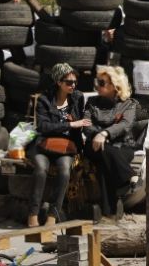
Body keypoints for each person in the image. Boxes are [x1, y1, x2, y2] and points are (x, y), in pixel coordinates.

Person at [27, 63, 91, 227]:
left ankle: (52, 215)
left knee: (64, 171)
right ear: (58, 82)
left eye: (75, 82)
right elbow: (43, 127)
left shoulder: (77, 97)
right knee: (41, 170)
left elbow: (80, 122)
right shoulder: (44, 99)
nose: (73, 85)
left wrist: (77, 125)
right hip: (43, 144)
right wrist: (70, 125)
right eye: (69, 82)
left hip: (67, 146)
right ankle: (33, 214)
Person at [83, 66, 139, 220]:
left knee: (104, 163)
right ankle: (128, 178)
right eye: (97, 82)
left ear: (115, 86)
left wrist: (105, 133)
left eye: (102, 82)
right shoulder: (92, 102)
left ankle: (108, 211)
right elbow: (86, 124)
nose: (97, 86)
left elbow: (125, 125)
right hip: (94, 144)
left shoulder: (129, 104)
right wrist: (98, 135)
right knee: (103, 150)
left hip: (122, 146)